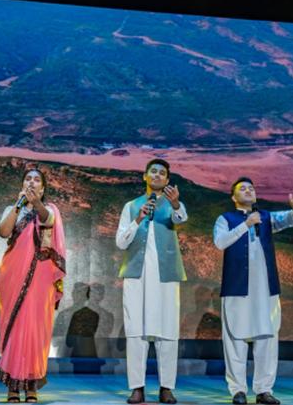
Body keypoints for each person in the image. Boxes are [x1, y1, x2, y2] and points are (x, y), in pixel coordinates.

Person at [213, 177, 293, 405]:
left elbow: (288, 220)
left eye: (251, 188)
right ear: (233, 197)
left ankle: (264, 390)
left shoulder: (265, 217)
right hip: (237, 287)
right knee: (235, 338)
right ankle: (238, 390)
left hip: (265, 289)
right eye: (242, 188)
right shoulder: (225, 219)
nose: (248, 191)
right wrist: (245, 224)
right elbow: (220, 242)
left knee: (267, 338)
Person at [115, 159, 187, 404]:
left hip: (166, 277)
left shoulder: (174, 204)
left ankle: (167, 387)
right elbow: (121, 242)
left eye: (162, 173)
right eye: (153, 171)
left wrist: (175, 203)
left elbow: (181, 218)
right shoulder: (131, 206)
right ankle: (137, 387)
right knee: (136, 331)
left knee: (168, 331)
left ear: (167, 180)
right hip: (137, 276)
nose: (157, 175)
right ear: (145, 176)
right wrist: (138, 219)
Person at [0, 168, 67, 403]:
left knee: (35, 328)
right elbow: (3, 232)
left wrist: (36, 203)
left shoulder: (50, 209)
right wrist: (18, 206)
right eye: (28, 179)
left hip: (40, 279)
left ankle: (31, 385)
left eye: (37, 180)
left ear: (43, 189)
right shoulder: (12, 208)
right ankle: (13, 387)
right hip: (13, 275)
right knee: (15, 326)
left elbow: (47, 220)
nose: (32, 182)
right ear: (22, 184)